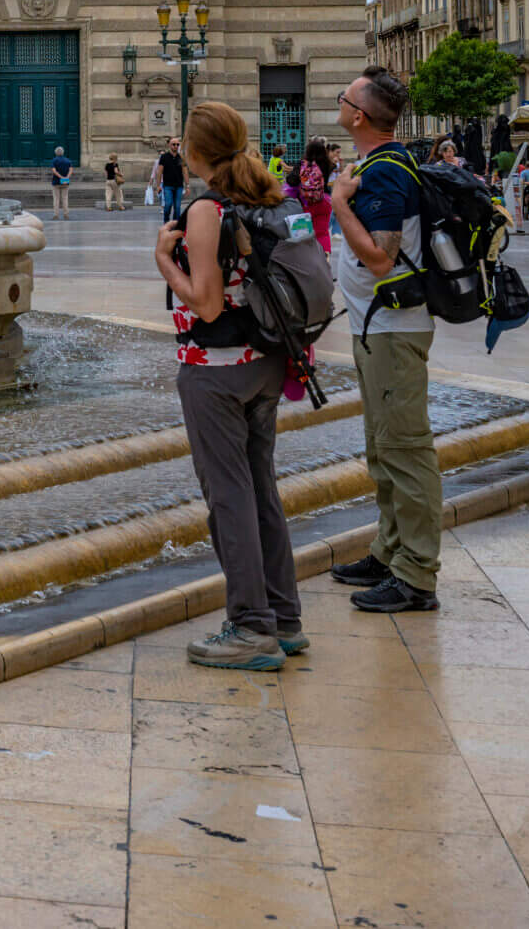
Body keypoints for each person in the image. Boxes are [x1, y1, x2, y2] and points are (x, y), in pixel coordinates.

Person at [153, 101, 306, 670]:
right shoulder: (267, 193)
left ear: (193, 153)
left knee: (228, 496)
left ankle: (250, 626)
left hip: (216, 372)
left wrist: (166, 263)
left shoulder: (207, 209)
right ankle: (284, 617)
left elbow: (207, 301)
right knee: (260, 486)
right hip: (267, 364)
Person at [328, 67, 442, 615]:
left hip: (395, 330)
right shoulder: (378, 166)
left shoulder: (388, 171)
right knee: (383, 447)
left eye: (345, 97)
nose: (341, 103)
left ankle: (416, 574)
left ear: (359, 116)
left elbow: (380, 257)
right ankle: (389, 551)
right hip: (378, 329)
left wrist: (339, 202)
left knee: (405, 449)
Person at [298, 137, 336, 254]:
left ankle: (306, 258)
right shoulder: (330, 164)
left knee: (303, 234)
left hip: (305, 203)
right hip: (323, 200)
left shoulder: (302, 164)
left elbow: (292, 181)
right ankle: (325, 258)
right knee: (323, 232)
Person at [157, 138, 186, 224]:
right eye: (174, 144)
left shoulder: (181, 157)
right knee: (168, 205)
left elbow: (185, 171)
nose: (176, 146)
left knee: (177, 207)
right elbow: (159, 172)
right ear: (169, 145)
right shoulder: (164, 157)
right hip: (168, 185)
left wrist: (187, 186)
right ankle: (166, 221)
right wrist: (158, 186)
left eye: (177, 144)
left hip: (179, 186)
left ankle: (175, 224)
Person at [47, 147, 74, 221]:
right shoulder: (68, 160)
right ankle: (66, 214)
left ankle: (56, 215)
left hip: (56, 182)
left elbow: (54, 171)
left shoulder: (54, 160)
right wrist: (66, 178)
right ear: (63, 152)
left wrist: (61, 177)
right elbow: (71, 170)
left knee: (56, 199)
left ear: (56, 153)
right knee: (65, 198)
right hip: (65, 182)